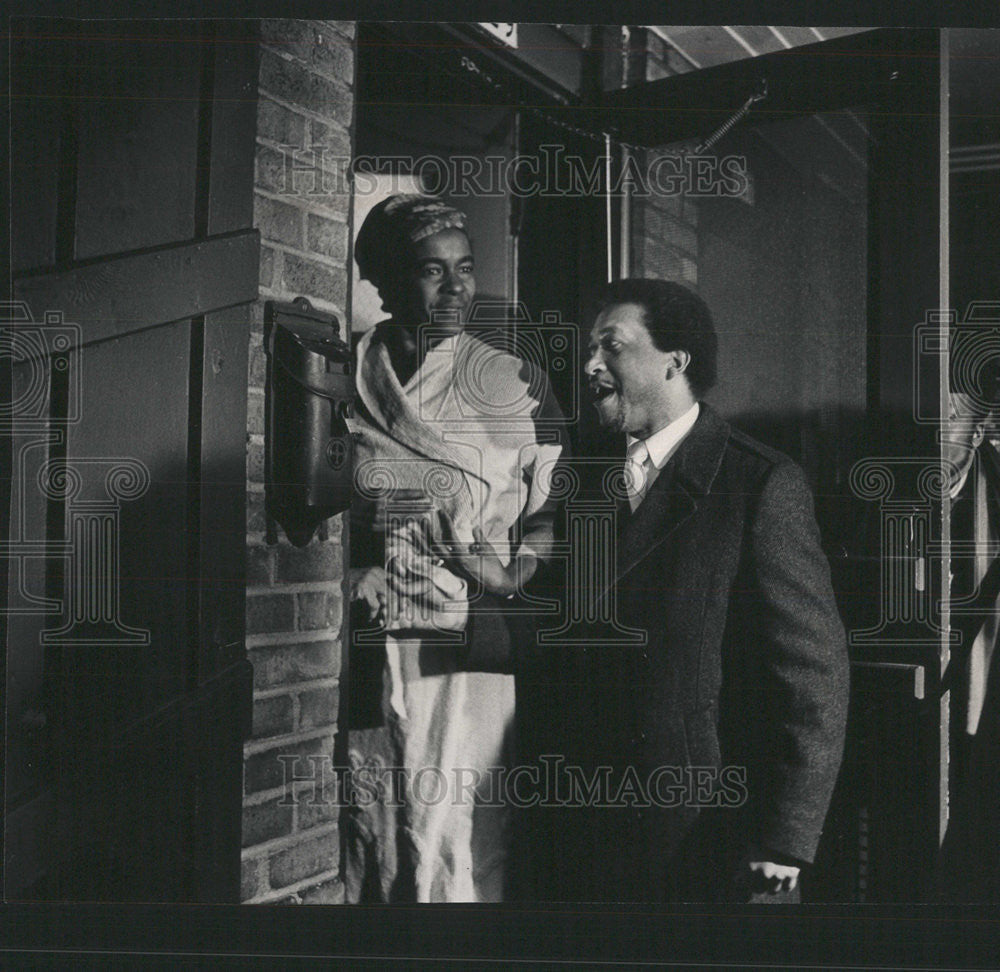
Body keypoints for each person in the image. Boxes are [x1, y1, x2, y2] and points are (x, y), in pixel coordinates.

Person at [517, 278, 849, 903]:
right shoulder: (583, 481)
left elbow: (815, 678)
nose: (590, 365)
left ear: (676, 361)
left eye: (611, 347)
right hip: (582, 831)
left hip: (709, 839)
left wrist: (785, 840)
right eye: (590, 349)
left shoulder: (760, 485)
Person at [343, 194, 565, 903]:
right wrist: (356, 564)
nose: (457, 286)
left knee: (462, 832)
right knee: (372, 818)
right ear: (385, 280)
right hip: (370, 639)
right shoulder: (351, 370)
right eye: (431, 271)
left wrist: (505, 574)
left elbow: (549, 515)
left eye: (465, 268)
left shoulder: (512, 381)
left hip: (464, 645)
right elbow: (328, 493)